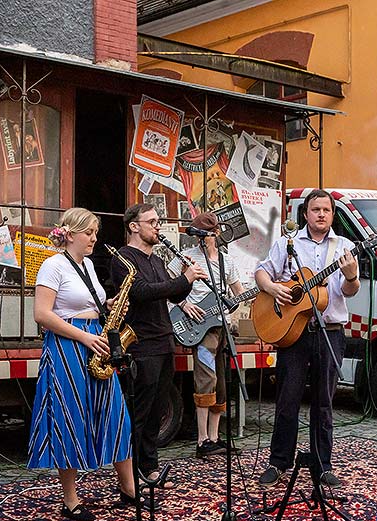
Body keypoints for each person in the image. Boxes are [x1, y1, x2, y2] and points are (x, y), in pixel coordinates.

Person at [26, 207, 138, 521]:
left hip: (94, 341)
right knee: (70, 417)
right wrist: (85, 337)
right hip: (67, 347)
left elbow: (85, 301)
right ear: (70, 233)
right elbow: (43, 314)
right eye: (89, 232)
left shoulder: (87, 264)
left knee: (116, 415)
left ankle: (129, 489)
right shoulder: (52, 266)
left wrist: (109, 305)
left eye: (95, 233)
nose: (94, 239)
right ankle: (70, 499)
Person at [254, 189, 360, 488]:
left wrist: (351, 277)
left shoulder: (344, 247)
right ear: (306, 214)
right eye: (316, 210)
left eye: (326, 210)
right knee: (287, 400)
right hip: (294, 334)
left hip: (329, 333)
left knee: (324, 402)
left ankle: (322, 464)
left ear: (333, 214)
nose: (321, 215)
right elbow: (261, 272)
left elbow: (349, 291)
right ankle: (278, 461)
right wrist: (273, 289)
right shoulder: (289, 243)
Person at [111, 203, 208, 484]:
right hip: (141, 343)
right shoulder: (123, 258)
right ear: (134, 226)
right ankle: (131, 474)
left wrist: (188, 280)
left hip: (165, 341)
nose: (158, 226)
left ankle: (150, 466)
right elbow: (141, 292)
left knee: (156, 410)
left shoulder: (156, 260)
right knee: (139, 412)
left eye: (158, 221)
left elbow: (174, 297)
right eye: (152, 221)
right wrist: (184, 278)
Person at [167, 212, 245, 458]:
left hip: (221, 326)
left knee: (221, 382)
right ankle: (201, 440)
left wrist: (236, 302)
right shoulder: (186, 258)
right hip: (198, 327)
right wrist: (183, 304)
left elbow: (238, 291)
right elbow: (168, 287)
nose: (201, 241)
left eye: (205, 236)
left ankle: (214, 436)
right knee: (205, 379)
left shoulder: (226, 261)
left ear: (216, 234)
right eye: (197, 236)